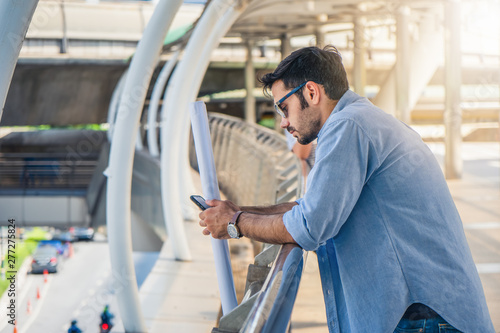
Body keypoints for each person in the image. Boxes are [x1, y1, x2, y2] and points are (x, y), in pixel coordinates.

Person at [198, 45, 495, 332]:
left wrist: (235, 224)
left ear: (311, 92)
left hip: (421, 316)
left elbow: (309, 227)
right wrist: (237, 211)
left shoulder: (348, 126)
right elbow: (308, 208)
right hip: (425, 313)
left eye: (283, 107)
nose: (283, 122)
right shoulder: (362, 119)